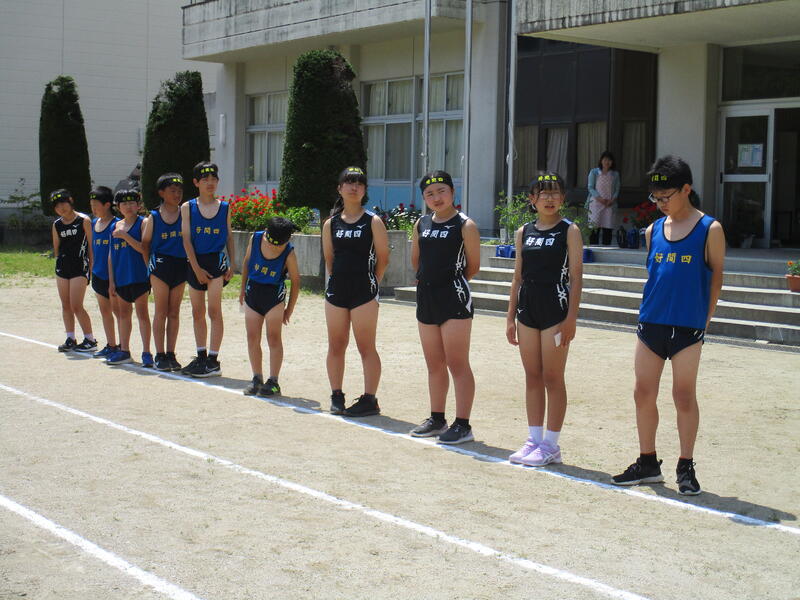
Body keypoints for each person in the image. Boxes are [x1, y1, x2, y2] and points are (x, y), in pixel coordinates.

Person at [611, 155, 725, 495]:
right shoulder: (653, 231)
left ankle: (686, 465)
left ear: (686, 189)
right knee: (642, 392)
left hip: (688, 327)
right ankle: (647, 462)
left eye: (666, 196)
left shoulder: (710, 229)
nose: (660, 203)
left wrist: (704, 320)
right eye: (656, 198)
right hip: (651, 323)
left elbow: (715, 279)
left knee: (683, 395)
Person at [506, 173, 583, 466]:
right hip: (528, 308)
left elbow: (576, 277)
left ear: (563, 198)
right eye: (543, 193)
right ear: (532, 199)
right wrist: (510, 317)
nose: (549, 199)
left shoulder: (569, 230)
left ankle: (551, 444)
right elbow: (517, 277)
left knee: (553, 377)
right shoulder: (523, 231)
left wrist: (571, 318)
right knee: (532, 375)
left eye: (555, 193)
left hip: (555, 308)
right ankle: (534, 439)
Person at [409, 170, 480, 444]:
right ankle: (437, 419)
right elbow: (416, 261)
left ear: (452, 192)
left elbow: (473, 266)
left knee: (457, 363)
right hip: (426, 298)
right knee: (434, 363)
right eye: (429, 194)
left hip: (454, 298)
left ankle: (463, 425)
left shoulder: (465, 225)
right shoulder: (422, 223)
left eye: (441, 191)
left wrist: (449, 283)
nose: (436, 198)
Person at [322, 166, 389, 417]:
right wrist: (338, 281)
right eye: (349, 183)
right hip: (337, 292)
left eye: (359, 183)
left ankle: (370, 399)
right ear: (339, 189)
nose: (354, 187)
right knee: (336, 345)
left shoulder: (373, 221)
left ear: (365, 190)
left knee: (366, 346)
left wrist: (372, 284)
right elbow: (329, 259)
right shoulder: (331, 223)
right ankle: (336, 395)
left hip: (364, 293)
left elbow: (383, 258)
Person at [180, 162, 235, 378]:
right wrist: (196, 268)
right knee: (197, 312)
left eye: (214, 179)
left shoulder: (225, 207)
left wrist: (232, 263)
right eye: (205, 180)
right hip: (195, 262)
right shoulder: (188, 207)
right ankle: (201, 356)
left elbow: (229, 236)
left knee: (214, 311)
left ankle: (213, 360)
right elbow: (186, 239)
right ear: (196, 182)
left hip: (216, 263)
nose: (210, 183)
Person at [239, 217, 301, 396]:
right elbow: (247, 262)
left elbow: (296, 281)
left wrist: (289, 309)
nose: (277, 248)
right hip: (253, 292)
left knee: (273, 338)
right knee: (252, 337)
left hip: (274, 296)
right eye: (275, 244)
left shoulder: (289, 252)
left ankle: (273, 381)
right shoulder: (256, 238)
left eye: (281, 244)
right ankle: (256, 378)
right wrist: (242, 289)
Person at [141, 173, 188, 371]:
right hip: (160, 266)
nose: (177, 194)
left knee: (174, 312)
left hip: (181, 265)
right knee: (161, 311)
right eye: (172, 191)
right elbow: (145, 244)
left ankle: (171, 353)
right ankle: (159, 354)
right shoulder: (154, 216)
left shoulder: (186, 214)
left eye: (179, 191)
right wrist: (150, 267)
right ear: (161, 193)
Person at [107, 190, 153, 367]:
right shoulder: (115, 226)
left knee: (142, 314)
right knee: (123, 315)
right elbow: (111, 255)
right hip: (121, 277)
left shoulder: (144, 223)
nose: (128, 206)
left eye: (132, 202)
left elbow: (144, 249)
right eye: (124, 203)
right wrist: (111, 281)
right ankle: (124, 350)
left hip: (139, 276)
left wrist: (125, 236)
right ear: (118, 207)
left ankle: (147, 352)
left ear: (138, 205)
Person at [51, 189, 96, 353]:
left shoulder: (83, 220)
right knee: (66, 305)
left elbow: (91, 246)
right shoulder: (57, 224)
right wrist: (60, 262)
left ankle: (90, 339)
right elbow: (56, 248)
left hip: (80, 266)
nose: (61, 208)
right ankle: (70, 338)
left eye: (63, 203)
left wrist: (92, 266)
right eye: (57, 206)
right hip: (63, 267)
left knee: (76, 305)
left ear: (70, 201)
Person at [88, 186, 120, 359]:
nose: (93, 208)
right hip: (98, 274)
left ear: (107, 205)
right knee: (105, 312)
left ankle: (122, 346)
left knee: (119, 313)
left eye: (96, 205)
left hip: (113, 276)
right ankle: (111, 344)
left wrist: (114, 278)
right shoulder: (94, 224)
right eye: (91, 205)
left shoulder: (116, 224)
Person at [586, 151, 620, 246]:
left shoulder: (615, 174)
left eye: (609, 160)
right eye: (605, 160)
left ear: (612, 162)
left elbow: (617, 189)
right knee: (594, 228)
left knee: (607, 227)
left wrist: (612, 200)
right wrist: (600, 198)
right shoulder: (594, 172)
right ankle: (593, 248)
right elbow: (590, 187)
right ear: (601, 161)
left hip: (610, 204)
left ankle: (607, 248)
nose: (607, 162)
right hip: (595, 203)